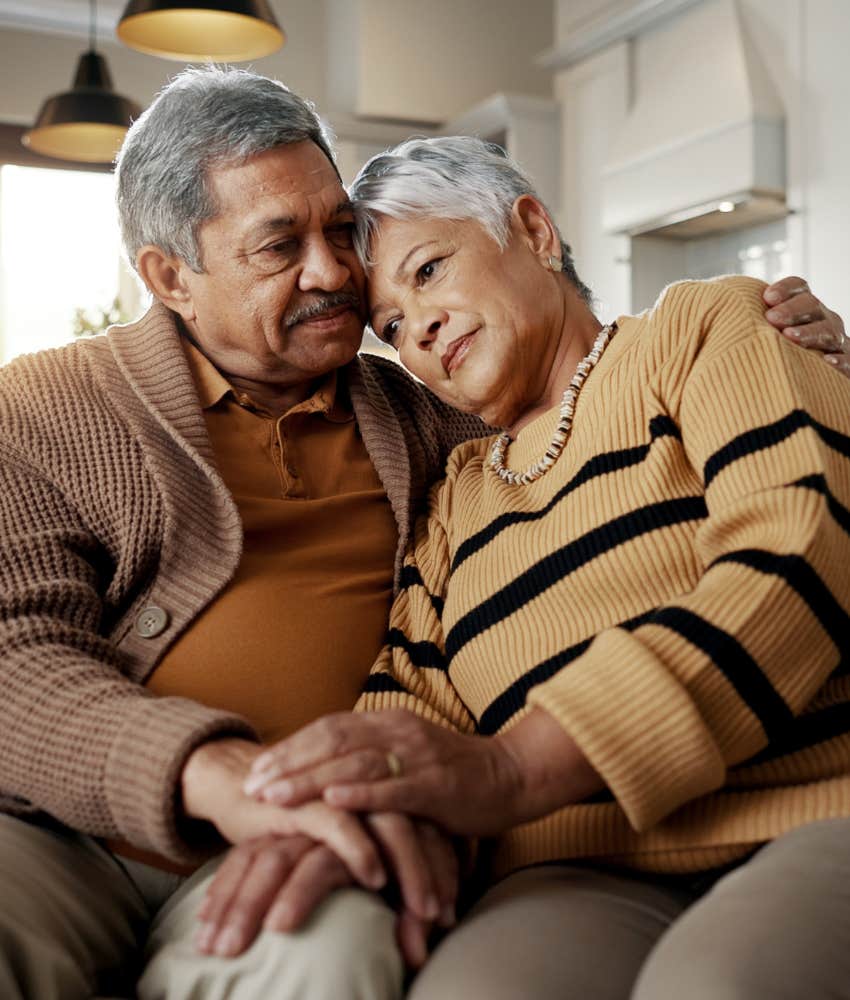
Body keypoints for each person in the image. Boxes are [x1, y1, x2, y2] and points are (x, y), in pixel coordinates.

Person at [0, 65, 844, 999]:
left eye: (343, 235)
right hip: (65, 831)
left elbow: (767, 505)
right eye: (280, 246)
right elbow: (13, 656)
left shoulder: (469, 414)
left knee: (330, 951)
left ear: (533, 229)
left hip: (344, 836)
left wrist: (801, 357)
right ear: (171, 277)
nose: (334, 276)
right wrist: (257, 782)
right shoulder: (42, 406)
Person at [241, 135, 850, 1000]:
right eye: (394, 328)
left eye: (428, 271)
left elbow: (798, 553)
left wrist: (517, 767)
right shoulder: (456, 496)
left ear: (533, 230)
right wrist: (341, 819)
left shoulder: (702, 329)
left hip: (810, 808)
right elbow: (412, 703)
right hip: (574, 865)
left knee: (717, 986)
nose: (422, 329)